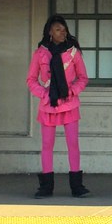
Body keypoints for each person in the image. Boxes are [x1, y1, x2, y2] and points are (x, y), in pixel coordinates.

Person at [26, 14, 90, 198]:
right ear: (49, 32)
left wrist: (72, 91)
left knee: (73, 144)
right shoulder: (40, 53)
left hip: (69, 103)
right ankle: (46, 187)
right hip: (48, 105)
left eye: (64, 29)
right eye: (58, 29)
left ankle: (77, 187)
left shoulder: (73, 52)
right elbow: (31, 80)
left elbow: (83, 78)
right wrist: (43, 93)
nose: (62, 33)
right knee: (47, 145)